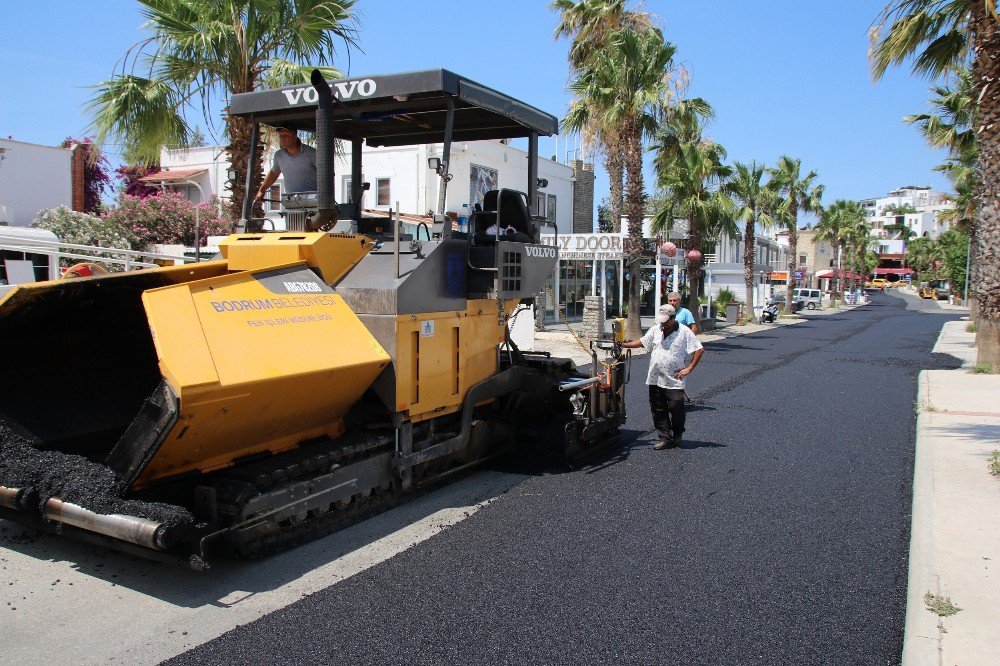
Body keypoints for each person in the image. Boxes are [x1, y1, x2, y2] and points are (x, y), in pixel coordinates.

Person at [622, 304, 705, 450]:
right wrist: (624, 345)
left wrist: (689, 368)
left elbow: (699, 349)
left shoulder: (684, 332)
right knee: (658, 408)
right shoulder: (656, 329)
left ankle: (677, 433)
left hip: (674, 378)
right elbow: (643, 342)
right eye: (661, 320)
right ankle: (665, 438)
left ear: (673, 318)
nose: (663, 323)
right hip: (655, 377)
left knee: (676, 406)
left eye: (666, 320)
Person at [255, 127, 318, 201]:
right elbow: (274, 173)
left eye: (286, 135)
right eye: (281, 136)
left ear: (295, 136)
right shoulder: (278, 155)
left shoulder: (312, 153)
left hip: (314, 202)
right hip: (291, 202)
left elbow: (327, 175)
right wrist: (262, 189)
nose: (282, 138)